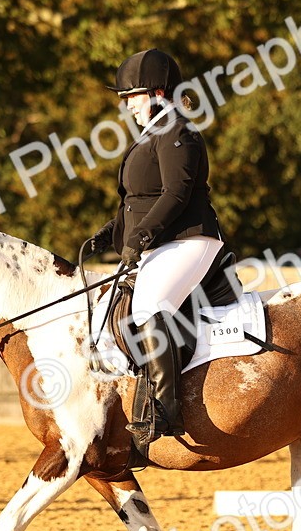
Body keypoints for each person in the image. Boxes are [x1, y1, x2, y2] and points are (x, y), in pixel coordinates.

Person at [84, 49, 225, 451]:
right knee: (112, 316)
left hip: (190, 238)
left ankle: (165, 409)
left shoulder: (177, 132)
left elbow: (176, 193)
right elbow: (139, 200)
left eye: (133, 95)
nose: (126, 105)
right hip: (162, 241)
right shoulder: (152, 136)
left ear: (159, 93)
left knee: (147, 308)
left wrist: (141, 237)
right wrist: (110, 232)